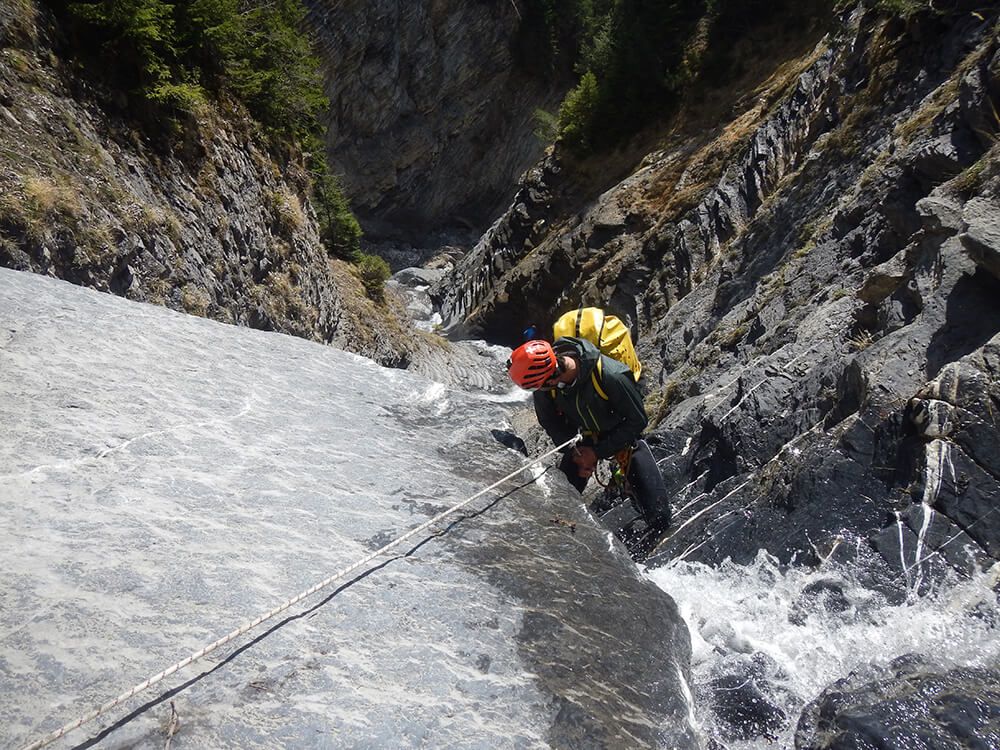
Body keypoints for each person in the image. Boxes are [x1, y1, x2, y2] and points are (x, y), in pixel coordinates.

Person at [506, 337, 671, 536]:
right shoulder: (546, 384)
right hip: (583, 440)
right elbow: (550, 421)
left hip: (625, 438)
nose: (538, 392)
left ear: (552, 377)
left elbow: (637, 420)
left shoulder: (610, 375)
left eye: (540, 387)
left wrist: (597, 452)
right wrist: (574, 452)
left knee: (660, 517)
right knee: (557, 504)